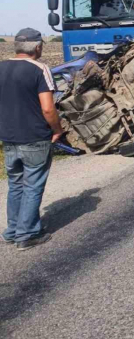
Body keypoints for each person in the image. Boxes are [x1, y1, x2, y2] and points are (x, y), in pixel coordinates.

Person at [0, 28, 63, 250]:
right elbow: (48, 109)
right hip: (35, 137)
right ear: (37, 47)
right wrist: (57, 129)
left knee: (16, 184)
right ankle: (27, 234)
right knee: (33, 185)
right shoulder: (40, 69)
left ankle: (12, 230)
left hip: (9, 137)